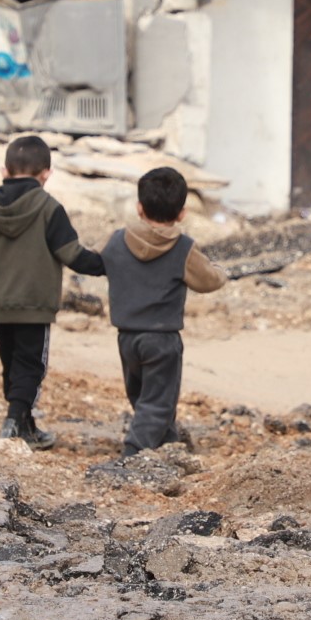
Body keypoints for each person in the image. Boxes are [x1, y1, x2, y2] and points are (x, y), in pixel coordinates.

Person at [0, 135, 104, 450]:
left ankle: (25, 425)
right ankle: (13, 422)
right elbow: (72, 255)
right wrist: (108, 264)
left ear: (5, 171)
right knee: (31, 365)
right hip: (34, 304)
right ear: (46, 174)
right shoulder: (49, 208)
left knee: (11, 363)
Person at [100, 166, 227, 456]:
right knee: (158, 402)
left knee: (142, 396)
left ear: (139, 208)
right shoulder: (183, 248)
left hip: (126, 337)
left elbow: (93, 259)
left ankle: (168, 444)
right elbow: (209, 280)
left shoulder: (116, 240)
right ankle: (133, 453)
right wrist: (221, 271)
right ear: (182, 213)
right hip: (162, 339)